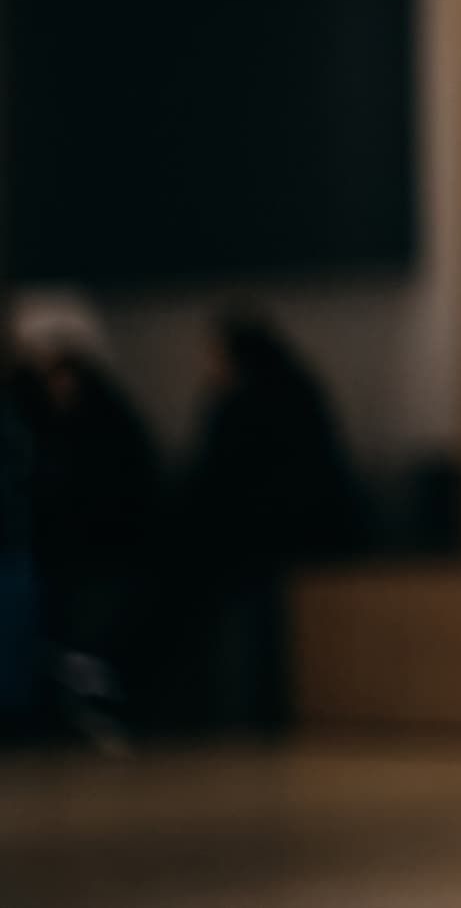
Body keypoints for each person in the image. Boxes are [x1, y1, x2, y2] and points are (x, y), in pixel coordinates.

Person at [174, 309, 367, 730]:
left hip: (287, 535)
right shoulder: (287, 390)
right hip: (277, 531)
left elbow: (220, 481)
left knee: (203, 579)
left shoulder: (254, 401)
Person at [5, 296, 165, 750]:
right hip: (54, 554)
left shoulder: (102, 420)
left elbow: (121, 492)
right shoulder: (30, 412)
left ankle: (89, 713)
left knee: (85, 636)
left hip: (98, 555)